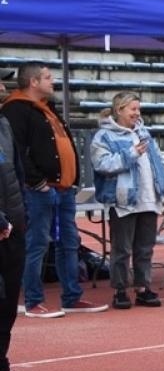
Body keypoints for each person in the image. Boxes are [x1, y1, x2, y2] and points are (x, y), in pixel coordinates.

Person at [0, 62, 105, 317]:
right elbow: (17, 152)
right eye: (47, 77)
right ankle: (32, 300)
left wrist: (72, 179)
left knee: (69, 243)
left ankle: (71, 296)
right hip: (40, 190)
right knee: (37, 243)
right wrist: (37, 182)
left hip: (63, 188)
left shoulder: (47, 107)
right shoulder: (16, 109)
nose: (53, 81)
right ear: (33, 82)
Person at [89, 92, 164, 310]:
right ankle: (120, 290)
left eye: (138, 109)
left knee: (145, 248)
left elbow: (157, 160)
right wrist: (130, 154)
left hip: (149, 198)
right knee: (122, 249)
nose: (137, 113)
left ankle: (143, 288)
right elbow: (102, 165)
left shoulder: (144, 132)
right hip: (123, 201)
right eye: (133, 109)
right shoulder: (103, 136)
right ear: (119, 110)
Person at [0, 110, 43, 371]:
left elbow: (16, 172)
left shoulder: (3, 123)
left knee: (6, 309)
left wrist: (20, 215)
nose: (3, 88)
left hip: (12, 227)